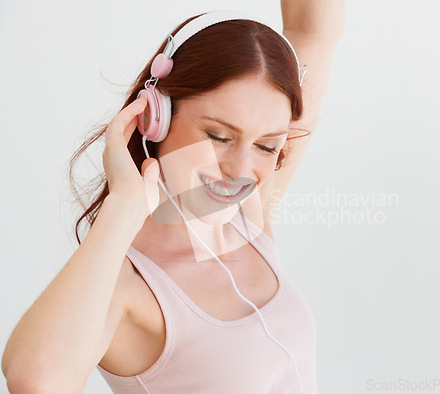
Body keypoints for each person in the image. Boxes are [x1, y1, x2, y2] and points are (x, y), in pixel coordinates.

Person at [2, 2, 344, 393]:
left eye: (267, 146)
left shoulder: (247, 215)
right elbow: (35, 380)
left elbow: (315, 28)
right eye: (219, 136)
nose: (240, 169)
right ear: (154, 119)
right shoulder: (128, 284)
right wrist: (123, 207)